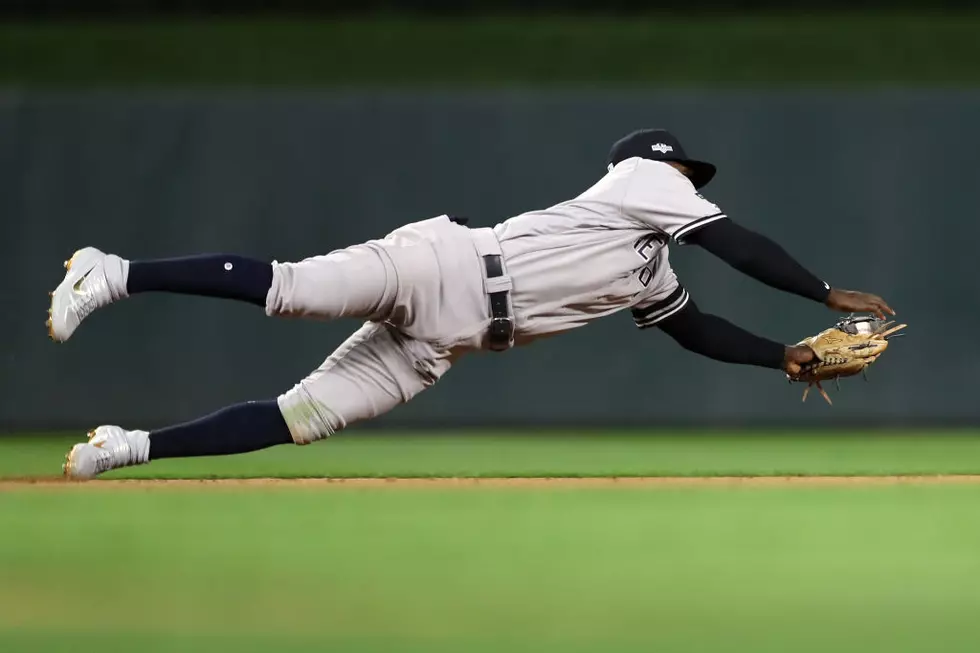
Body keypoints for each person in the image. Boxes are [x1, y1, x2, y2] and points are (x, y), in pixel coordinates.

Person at [49, 128, 893, 479]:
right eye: (686, 172)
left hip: (445, 341)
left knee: (301, 416)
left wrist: (783, 352)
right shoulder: (639, 178)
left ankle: (126, 449)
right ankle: (113, 269)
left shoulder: (649, 270)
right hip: (442, 265)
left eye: (692, 179)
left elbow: (696, 328)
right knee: (291, 289)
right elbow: (733, 240)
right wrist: (821, 293)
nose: (690, 183)